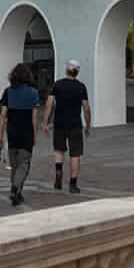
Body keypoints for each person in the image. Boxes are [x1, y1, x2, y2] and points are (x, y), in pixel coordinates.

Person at [42, 58, 91, 193]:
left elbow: (49, 104)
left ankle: (58, 173)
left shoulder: (57, 85)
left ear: (66, 69)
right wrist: (88, 124)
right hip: (75, 124)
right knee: (75, 154)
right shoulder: (81, 87)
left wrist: (45, 123)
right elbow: (86, 107)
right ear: (78, 72)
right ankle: (73, 184)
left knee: (59, 150)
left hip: (59, 123)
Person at [0, 62, 40, 206]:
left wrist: (0, 134)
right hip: (26, 132)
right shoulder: (33, 93)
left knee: (15, 165)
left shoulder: (8, 92)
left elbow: (3, 115)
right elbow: (35, 118)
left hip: (12, 132)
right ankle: (15, 188)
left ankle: (17, 192)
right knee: (24, 164)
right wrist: (35, 135)